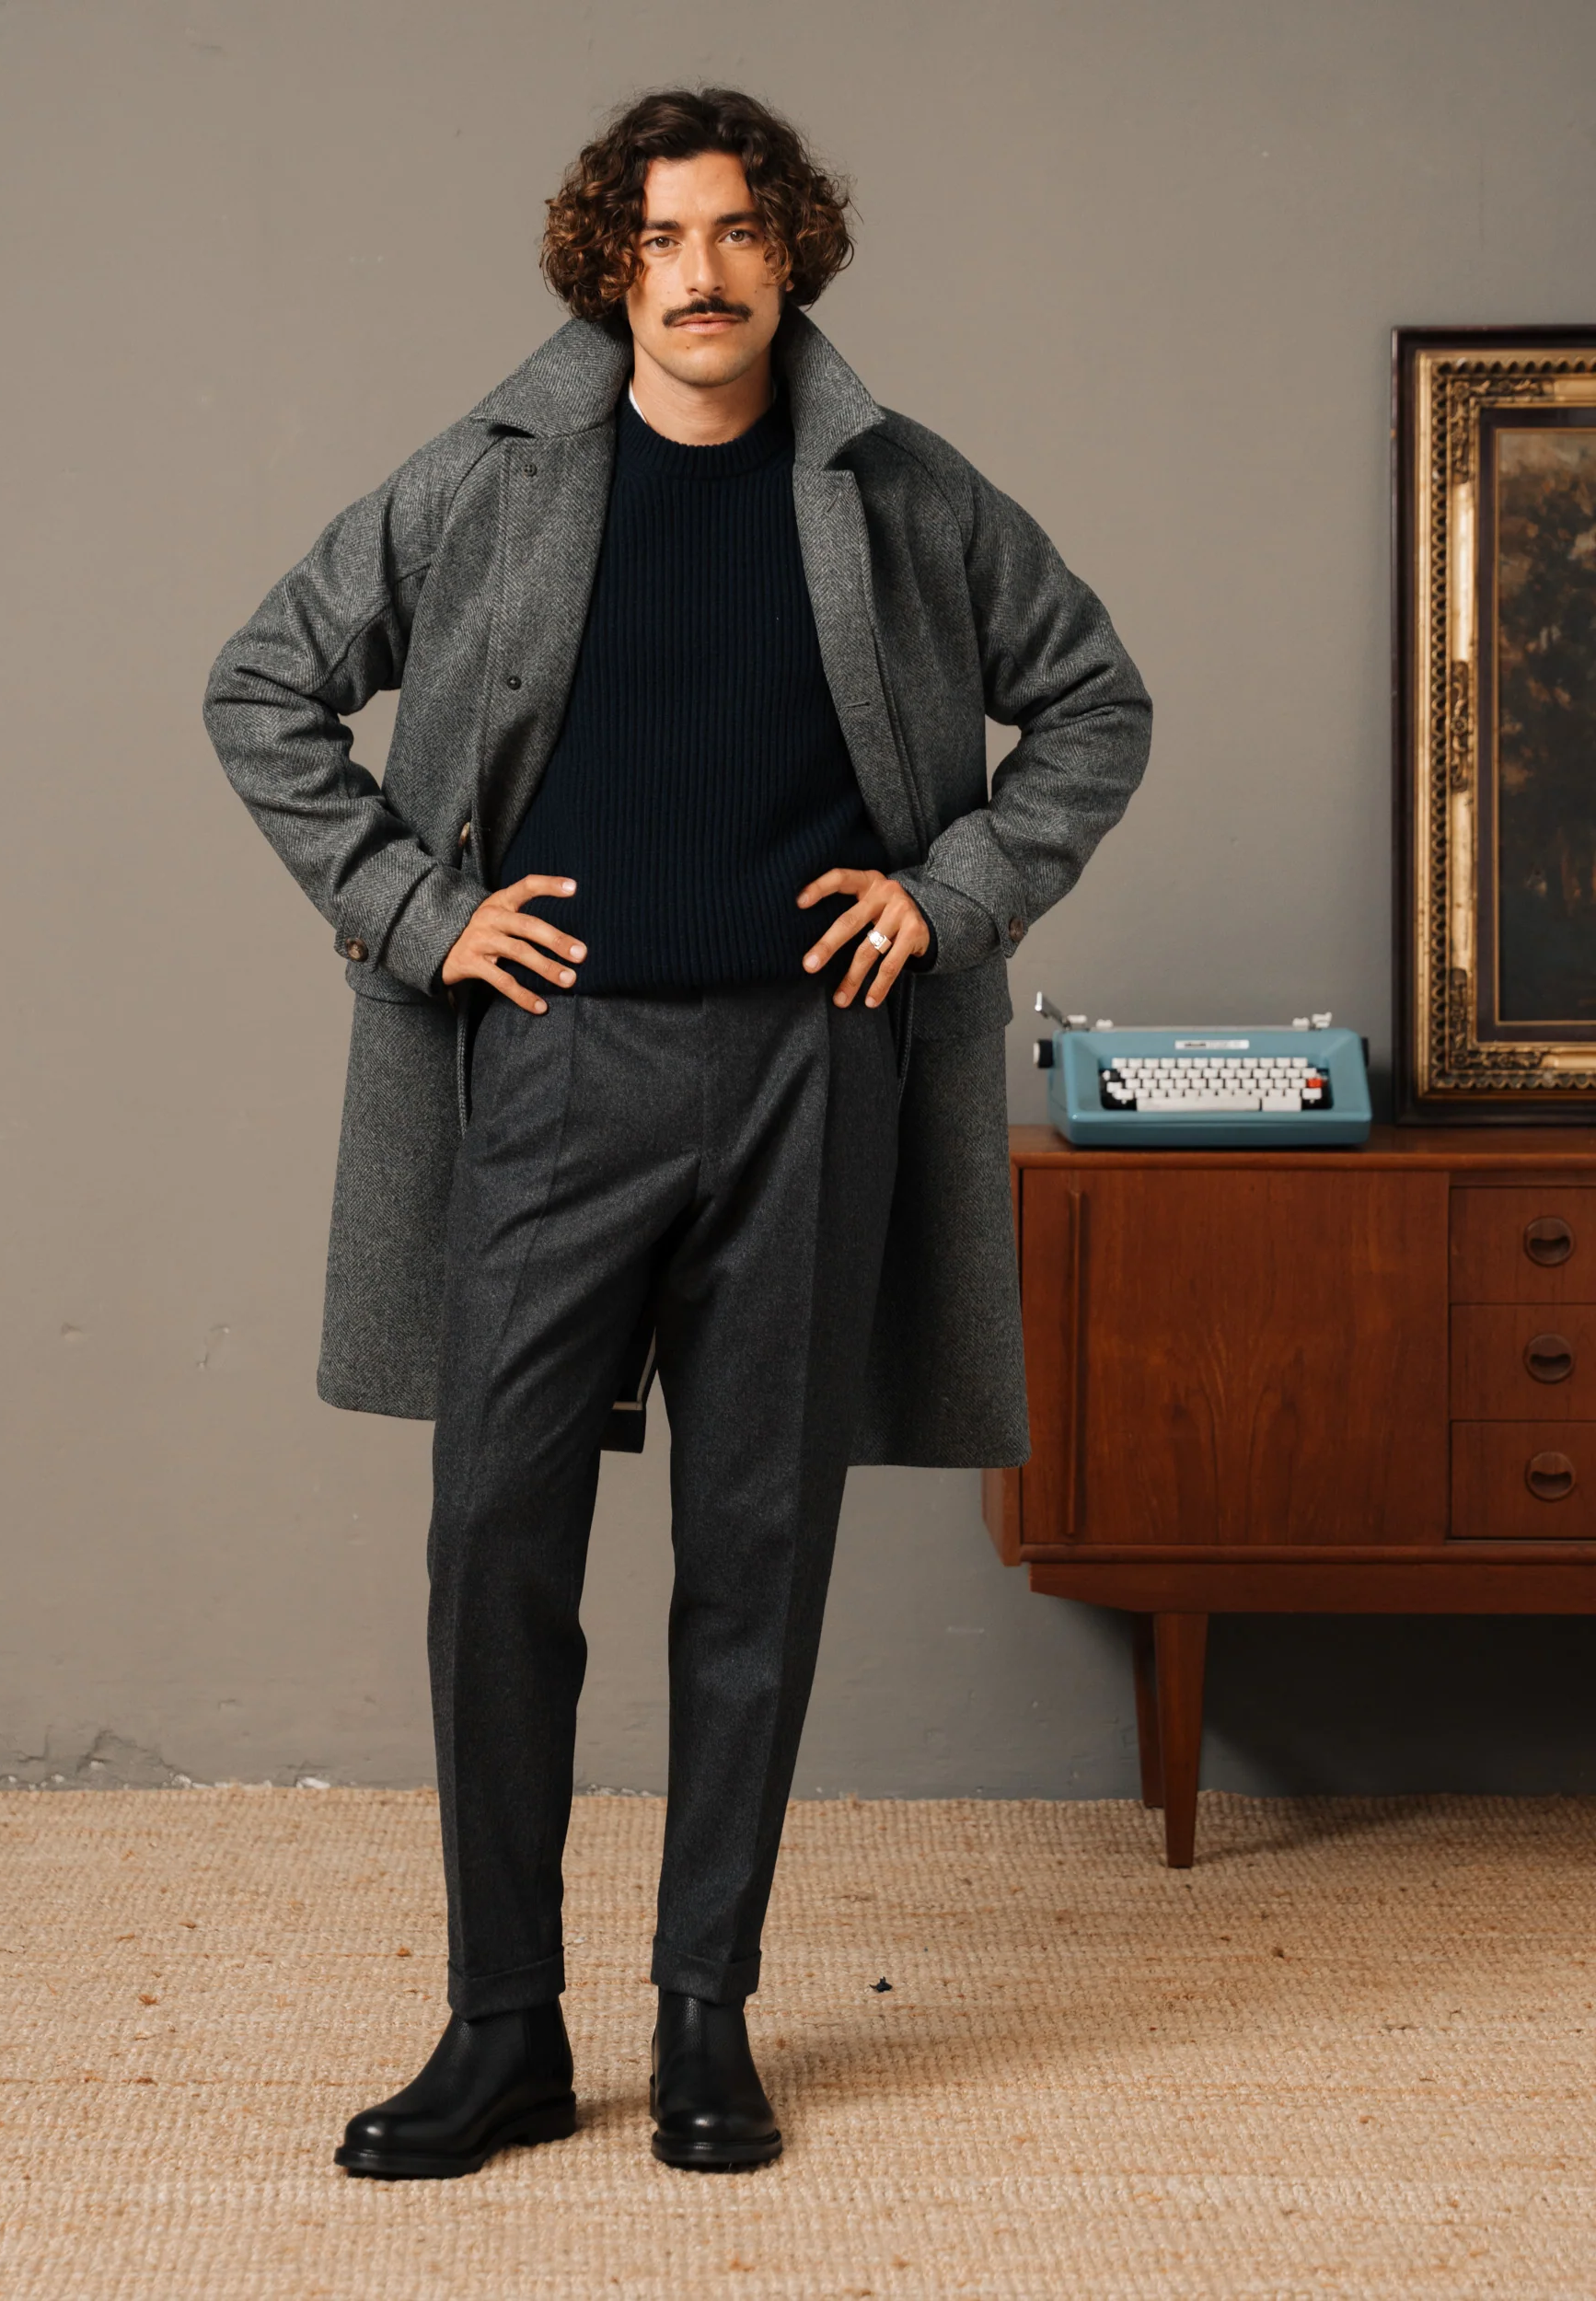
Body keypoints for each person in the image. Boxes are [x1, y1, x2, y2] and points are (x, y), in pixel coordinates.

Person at [203, 85, 1150, 2179]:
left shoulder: (903, 490)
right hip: (552, 1072)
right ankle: (503, 2027)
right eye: (658, 239)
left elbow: (1095, 701)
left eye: (734, 231)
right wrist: (419, 914)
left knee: (754, 1551)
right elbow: (263, 682)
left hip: (818, 1067)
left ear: (790, 249)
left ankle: (706, 2012)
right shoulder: (495, 475)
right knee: (495, 1542)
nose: (699, 275)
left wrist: (951, 895)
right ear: (605, 267)